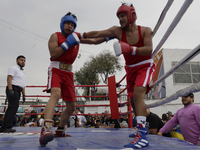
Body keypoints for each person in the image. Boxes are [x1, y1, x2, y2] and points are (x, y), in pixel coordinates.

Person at [80, 3, 155, 148]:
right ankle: (140, 128)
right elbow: (97, 36)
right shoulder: (117, 31)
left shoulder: (146, 30)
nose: (120, 19)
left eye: (122, 15)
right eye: (119, 16)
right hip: (130, 69)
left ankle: (142, 135)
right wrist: (78, 37)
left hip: (145, 65)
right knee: (133, 100)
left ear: (132, 15)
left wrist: (129, 49)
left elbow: (148, 49)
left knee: (139, 94)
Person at [39, 12, 106, 146]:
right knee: (56, 94)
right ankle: (46, 129)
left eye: (72, 24)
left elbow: (93, 40)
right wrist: (66, 44)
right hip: (56, 69)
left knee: (71, 106)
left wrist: (108, 37)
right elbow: (53, 53)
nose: (69, 26)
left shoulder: (76, 37)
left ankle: (60, 130)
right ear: (62, 24)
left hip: (68, 72)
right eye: (67, 23)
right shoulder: (55, 36)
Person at [0, 55, 26, 133]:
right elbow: (9, 78)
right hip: (13, 88)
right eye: (21, 60)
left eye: (24, 60)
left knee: (12, 107)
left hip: (18, 90)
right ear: (17, 61)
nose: (23, 61)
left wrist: (24, 95)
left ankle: (4, 127)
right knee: (13, 107)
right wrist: (11, 90)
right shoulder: (13, 68)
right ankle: (7, 126)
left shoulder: (22, 72)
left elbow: (22, 84)